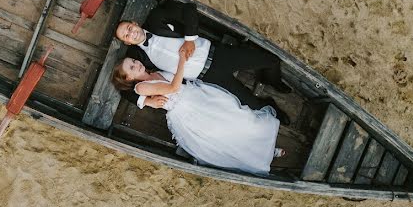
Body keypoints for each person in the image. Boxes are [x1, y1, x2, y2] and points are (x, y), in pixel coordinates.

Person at [114, 0, 292, 124]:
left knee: (271, 60)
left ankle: (271, 79)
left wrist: (189, 39)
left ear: (135, 23)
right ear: (127, 42)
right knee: (250, 104)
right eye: (126, 35)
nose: (131, 33)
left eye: (129, 28)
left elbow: (189, 9)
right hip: (208, 77)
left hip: (219, 54)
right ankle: (271, 105)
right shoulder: (136, 56)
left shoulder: (156, 18)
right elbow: (124, 88)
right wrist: (147, 102)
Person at [112, 50, 285, 176]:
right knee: (223, 134)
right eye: (132, 68)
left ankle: (267, 148)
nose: (137, 64)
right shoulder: (140, 87)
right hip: (187, 112)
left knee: (238, 119)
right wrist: (181, 60)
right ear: (129, 78)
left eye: (134, 61)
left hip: (197, 97)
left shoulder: (154, 72)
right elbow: (173, 87)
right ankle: (263, 157)